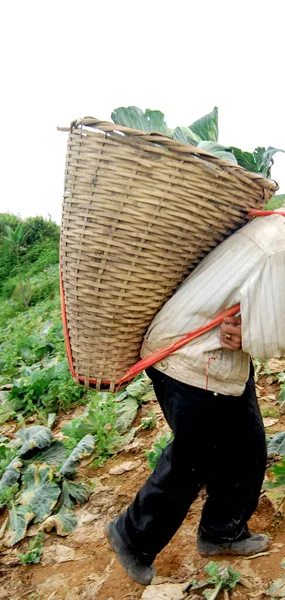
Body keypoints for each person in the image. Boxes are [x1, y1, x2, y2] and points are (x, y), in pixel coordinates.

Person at [105, 207, 285, 585]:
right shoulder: (278, 247)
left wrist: (250, 331)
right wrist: (254, 333)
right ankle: (132, 535)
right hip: (191, 359)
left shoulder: (276, 230)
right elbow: (269, 332)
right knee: (194, 457)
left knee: (246, 447)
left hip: (217, 358)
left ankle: (223, 531)